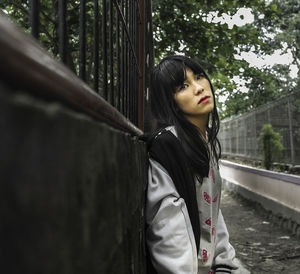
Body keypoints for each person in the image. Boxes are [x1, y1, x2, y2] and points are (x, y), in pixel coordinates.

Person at [145, 55, 238, 274]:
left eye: (199, 77)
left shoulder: (205, 144)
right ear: (171, 103)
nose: (199, 88)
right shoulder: (168, 146)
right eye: (183, 86)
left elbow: (213, 211)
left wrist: (224, 262)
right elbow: (167, 225)